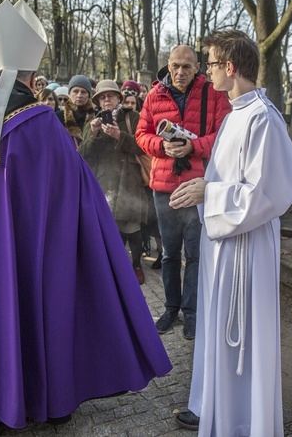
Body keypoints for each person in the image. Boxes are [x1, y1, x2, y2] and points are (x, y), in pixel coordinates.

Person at [0, 0, 172, 432]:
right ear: (29, 75)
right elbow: (73, 194)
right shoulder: (40, 123)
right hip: (25, 246)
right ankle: (35, 393)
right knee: (26, 300)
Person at [172, 30, 292, 435]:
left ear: (230, 67)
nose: (206, 73)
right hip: (223, 243)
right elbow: (228, 176)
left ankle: (243, 422)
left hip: (247, 245)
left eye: (209, 64)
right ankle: (214, 407)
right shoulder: (235, 114)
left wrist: (210, 190)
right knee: (217, 329)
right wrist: (204, 188)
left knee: (240, 336)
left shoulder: (263, 117)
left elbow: (272, 192)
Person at [135, 45, 231, 340]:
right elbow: (142, 134)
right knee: (169, 254)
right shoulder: (154, 95)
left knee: (195, 254)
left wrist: (194, 146)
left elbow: (225, 134)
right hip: (164, 186)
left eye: (187, 67)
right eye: (175, 66)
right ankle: (170, 307)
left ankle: (192, 312)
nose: (180, 72)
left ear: (198, 67)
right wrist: (160, 146)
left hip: (197, 186)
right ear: (168, 64)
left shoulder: (213, 93)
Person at [80, 80, 149, 285]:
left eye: (110, 95)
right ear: (98, 102)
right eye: (102, 97)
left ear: (119, 98)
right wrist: (93, 135)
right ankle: (116, 267)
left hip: (129, 179)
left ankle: (136, 265)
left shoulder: (133, 117)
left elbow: (143, 146)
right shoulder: (92, 122)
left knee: (133, 227)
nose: (107, 99)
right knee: (113, 229)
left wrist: (121, 136)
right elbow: (83, 154)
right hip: (105, 184)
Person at [56, 75, 96, 147]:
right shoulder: (57, 117)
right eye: (75, 91)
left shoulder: (96, 117)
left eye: (83, 92)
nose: (79, 95)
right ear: (69, 93)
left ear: (89, 95)